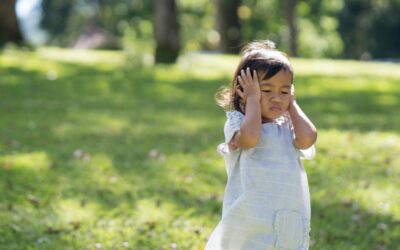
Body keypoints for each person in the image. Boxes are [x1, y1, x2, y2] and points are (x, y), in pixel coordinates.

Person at [205, 40, 318, 250]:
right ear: (243, 92)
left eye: (284, 91)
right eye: (266, 90)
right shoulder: (238, 122)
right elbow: (251, 138)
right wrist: (253, 102)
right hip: (250, 218)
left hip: (286, 214)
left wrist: (291, 105)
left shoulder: (287, 127)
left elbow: (308, 138)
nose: (277, 98)